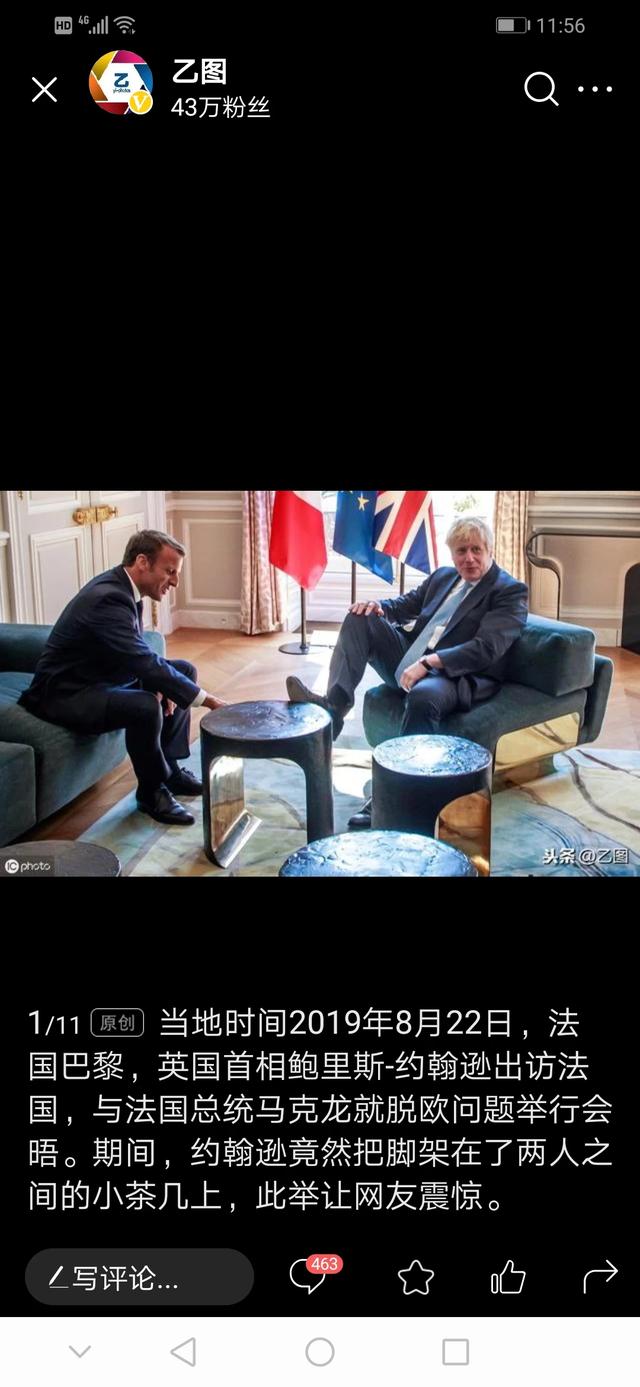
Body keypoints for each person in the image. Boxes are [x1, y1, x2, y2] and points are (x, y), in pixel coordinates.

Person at [287, 516, 528, 827]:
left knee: (424, 696)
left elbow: (487, 648)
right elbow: (404, 606)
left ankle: (393, 794)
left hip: (455, 674)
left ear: (490, 550)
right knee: (359, 618)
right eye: (461, 551)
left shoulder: (508, 591)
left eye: (476, 550)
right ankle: (334, 709)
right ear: (452, 554)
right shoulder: (443, 577)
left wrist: (429, 663)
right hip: (412, 658)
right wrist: (377, 606)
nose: (469, 558)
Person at [19, 530, 226, 826]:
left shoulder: (124, 588)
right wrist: (208, 701)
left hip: (101, 677)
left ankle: (170, 770)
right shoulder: (108, 599)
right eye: (170, 571)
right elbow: (139, 659)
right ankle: (151, 791)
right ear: (142, 562)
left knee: (184, 671)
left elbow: (132, 652)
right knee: (145, 706)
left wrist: (160, 683)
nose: (175, 582)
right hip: (66, 694)